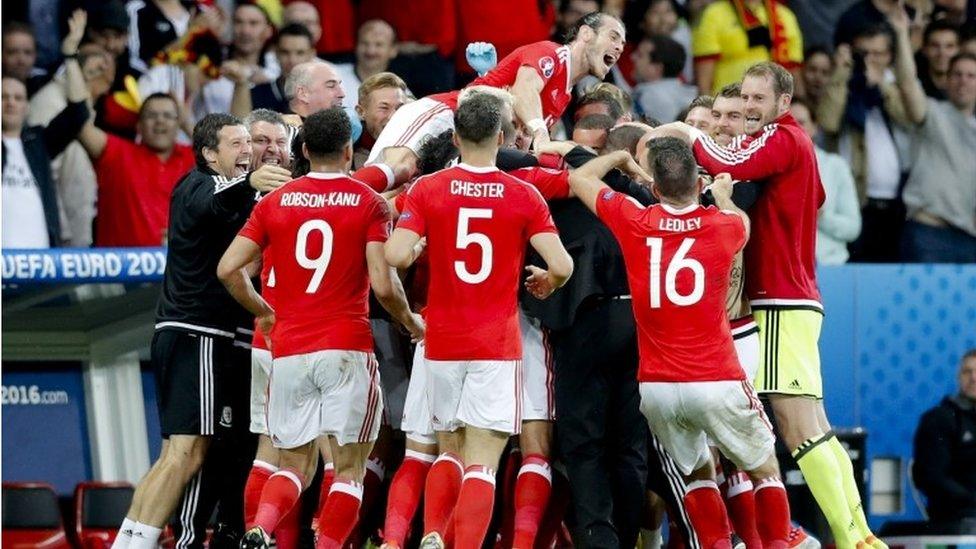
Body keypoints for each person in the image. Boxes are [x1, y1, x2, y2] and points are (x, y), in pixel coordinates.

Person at [655, 61, 887, 549]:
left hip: (779, 298)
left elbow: (733, 165)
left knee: (797, 426)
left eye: (758, 101)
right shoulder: (796, 146)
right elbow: (818, 195)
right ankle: (862, 536)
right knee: (817, 424)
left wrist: (682, 133)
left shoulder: (783, 138)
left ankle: (852, 541)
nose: (752, 110)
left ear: (784, 103)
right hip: (797, 297)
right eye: (749, 101)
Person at [568, 137, 793, 549]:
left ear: (654, 189)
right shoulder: (723, 226)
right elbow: (742, 222)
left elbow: (580, 177)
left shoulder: (634, 220)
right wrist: (721, 195)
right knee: (765, 469)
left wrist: (619, 158)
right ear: (698, 183)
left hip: (657, 388)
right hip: (715, 377)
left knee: (695, 475)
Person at [218, 107, 423, 549]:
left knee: (290, 462)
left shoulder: (275, 202)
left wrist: (267, 312)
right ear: (350, 150)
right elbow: (384, 285)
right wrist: (409, 321)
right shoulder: (368, 202)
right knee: (348, 470)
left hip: (288, 350)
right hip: (346, 348)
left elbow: (229, 269)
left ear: (304, 150)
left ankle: (260, 527)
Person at [384, 87, 573, 548]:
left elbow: (394, 253)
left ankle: (433, 533)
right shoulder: (523, 194)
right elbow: (563, 265)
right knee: (483, 462)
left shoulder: (429, 188)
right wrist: (548, 282)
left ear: (454, 136)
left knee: (446, 450)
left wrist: (419, 246)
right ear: (503, 137)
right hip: (495, 343)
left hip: (441, 339)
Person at [108, 113, 291, 549]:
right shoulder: (198, 185)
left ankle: (129, 541)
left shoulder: (227, 191)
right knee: (187, 453)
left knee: (174, 454)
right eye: (237, 144)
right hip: (198, 334)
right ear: (209, 153)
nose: (247, 150)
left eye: (249, 141)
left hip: (187, 334)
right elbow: (214, 204)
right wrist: (252, 185)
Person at [365, 11, 626, 185]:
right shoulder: (552, 54)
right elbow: (524, 91)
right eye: (613, 36)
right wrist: (541, 134)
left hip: (468, 143)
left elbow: (520, 142)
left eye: (623, 44)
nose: (618, 47)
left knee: (406, 195)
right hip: (445, 114)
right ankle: (337, 193)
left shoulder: (564, 95)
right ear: (586, 34)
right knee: (400, 168)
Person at [887, 5, 976, 263]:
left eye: (971, 76)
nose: (963, 81)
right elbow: (906, 82)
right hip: (928, 234)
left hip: (969, 239)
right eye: (957, 75)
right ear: (947, 80)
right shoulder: (931, 113)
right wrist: (902, 34)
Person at [818, 23, 910, 263]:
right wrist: (841, 73)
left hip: (895, 202)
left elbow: (909, 118)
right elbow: (827, 121)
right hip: (857, 199)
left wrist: (881, 85)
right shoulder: (843, 82)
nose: (870, 60)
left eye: (878, 54)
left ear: (889, 56)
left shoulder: (898, 84)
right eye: (864, 53)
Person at [1, 10, 89, 249]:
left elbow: (79, 113)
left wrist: (70, 55)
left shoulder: (38, 142)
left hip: (42, 265)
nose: (10, 102)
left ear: (26, 105)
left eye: (18, 98)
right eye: (3, 97)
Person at [76, 92, 195, 247]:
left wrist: (188, 124)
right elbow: (80, 124)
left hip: (180, 268)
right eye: (151, 115)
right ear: (138, 125)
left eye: (168, 115)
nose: (160, 120)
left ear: (178, 123)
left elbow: (232, 151)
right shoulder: (117, 154)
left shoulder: (193, 159)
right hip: (123, 269)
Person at [28, 43, 115, 247]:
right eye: (105, 82)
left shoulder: (73, 102)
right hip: (58, 233)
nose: (104, 91)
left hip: (72, 227)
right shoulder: (51, 102)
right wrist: (61, 230)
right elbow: (42, 170)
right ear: (93, 70)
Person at [791, 99, 861, 265]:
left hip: (831, 267)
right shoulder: (770, 166)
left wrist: (821, 217)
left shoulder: (835, 166)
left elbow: (853, 228)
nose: (794, 129)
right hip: (787, 271)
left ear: (815, 127)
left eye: (801, 122)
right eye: (788, 123)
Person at [912, 349, 976, 524]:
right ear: (959, 377)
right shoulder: (939, 419)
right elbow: (932, 477)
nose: (974, 377)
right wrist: (970, 502)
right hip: (958, 518)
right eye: (967, 371)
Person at [691, 0, 804, 95]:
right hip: (727, 103)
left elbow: (794, 71)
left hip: (770, 104)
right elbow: (704, 81)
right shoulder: (713, 14)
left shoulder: (785, 16)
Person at [631, 34, 698, 123]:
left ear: (656, 68)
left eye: (640, 55)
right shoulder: (690, 94)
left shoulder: (652, 97)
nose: (633, 57)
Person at [334, 20, 399, 109]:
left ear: (393, 50)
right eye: (365, 43)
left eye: (378, 44)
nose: (370, 51)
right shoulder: (333, 75)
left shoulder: (400, 93)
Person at [353, 72, 409, 168]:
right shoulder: (344, 150)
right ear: (361, 112)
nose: (393, 117)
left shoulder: (421, 146)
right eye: (384, 108)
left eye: (399, 108)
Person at [2, 21, 50, 96]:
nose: (21, 60)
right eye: (13, 52)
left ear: (35, 55)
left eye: (28, 52)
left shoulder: (46, 85)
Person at [918, 20, 960, 100]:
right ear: (924, 49)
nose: (942, 53)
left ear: (959, 50)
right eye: (935, 46)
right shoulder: (916, 86)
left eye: (949, 46)